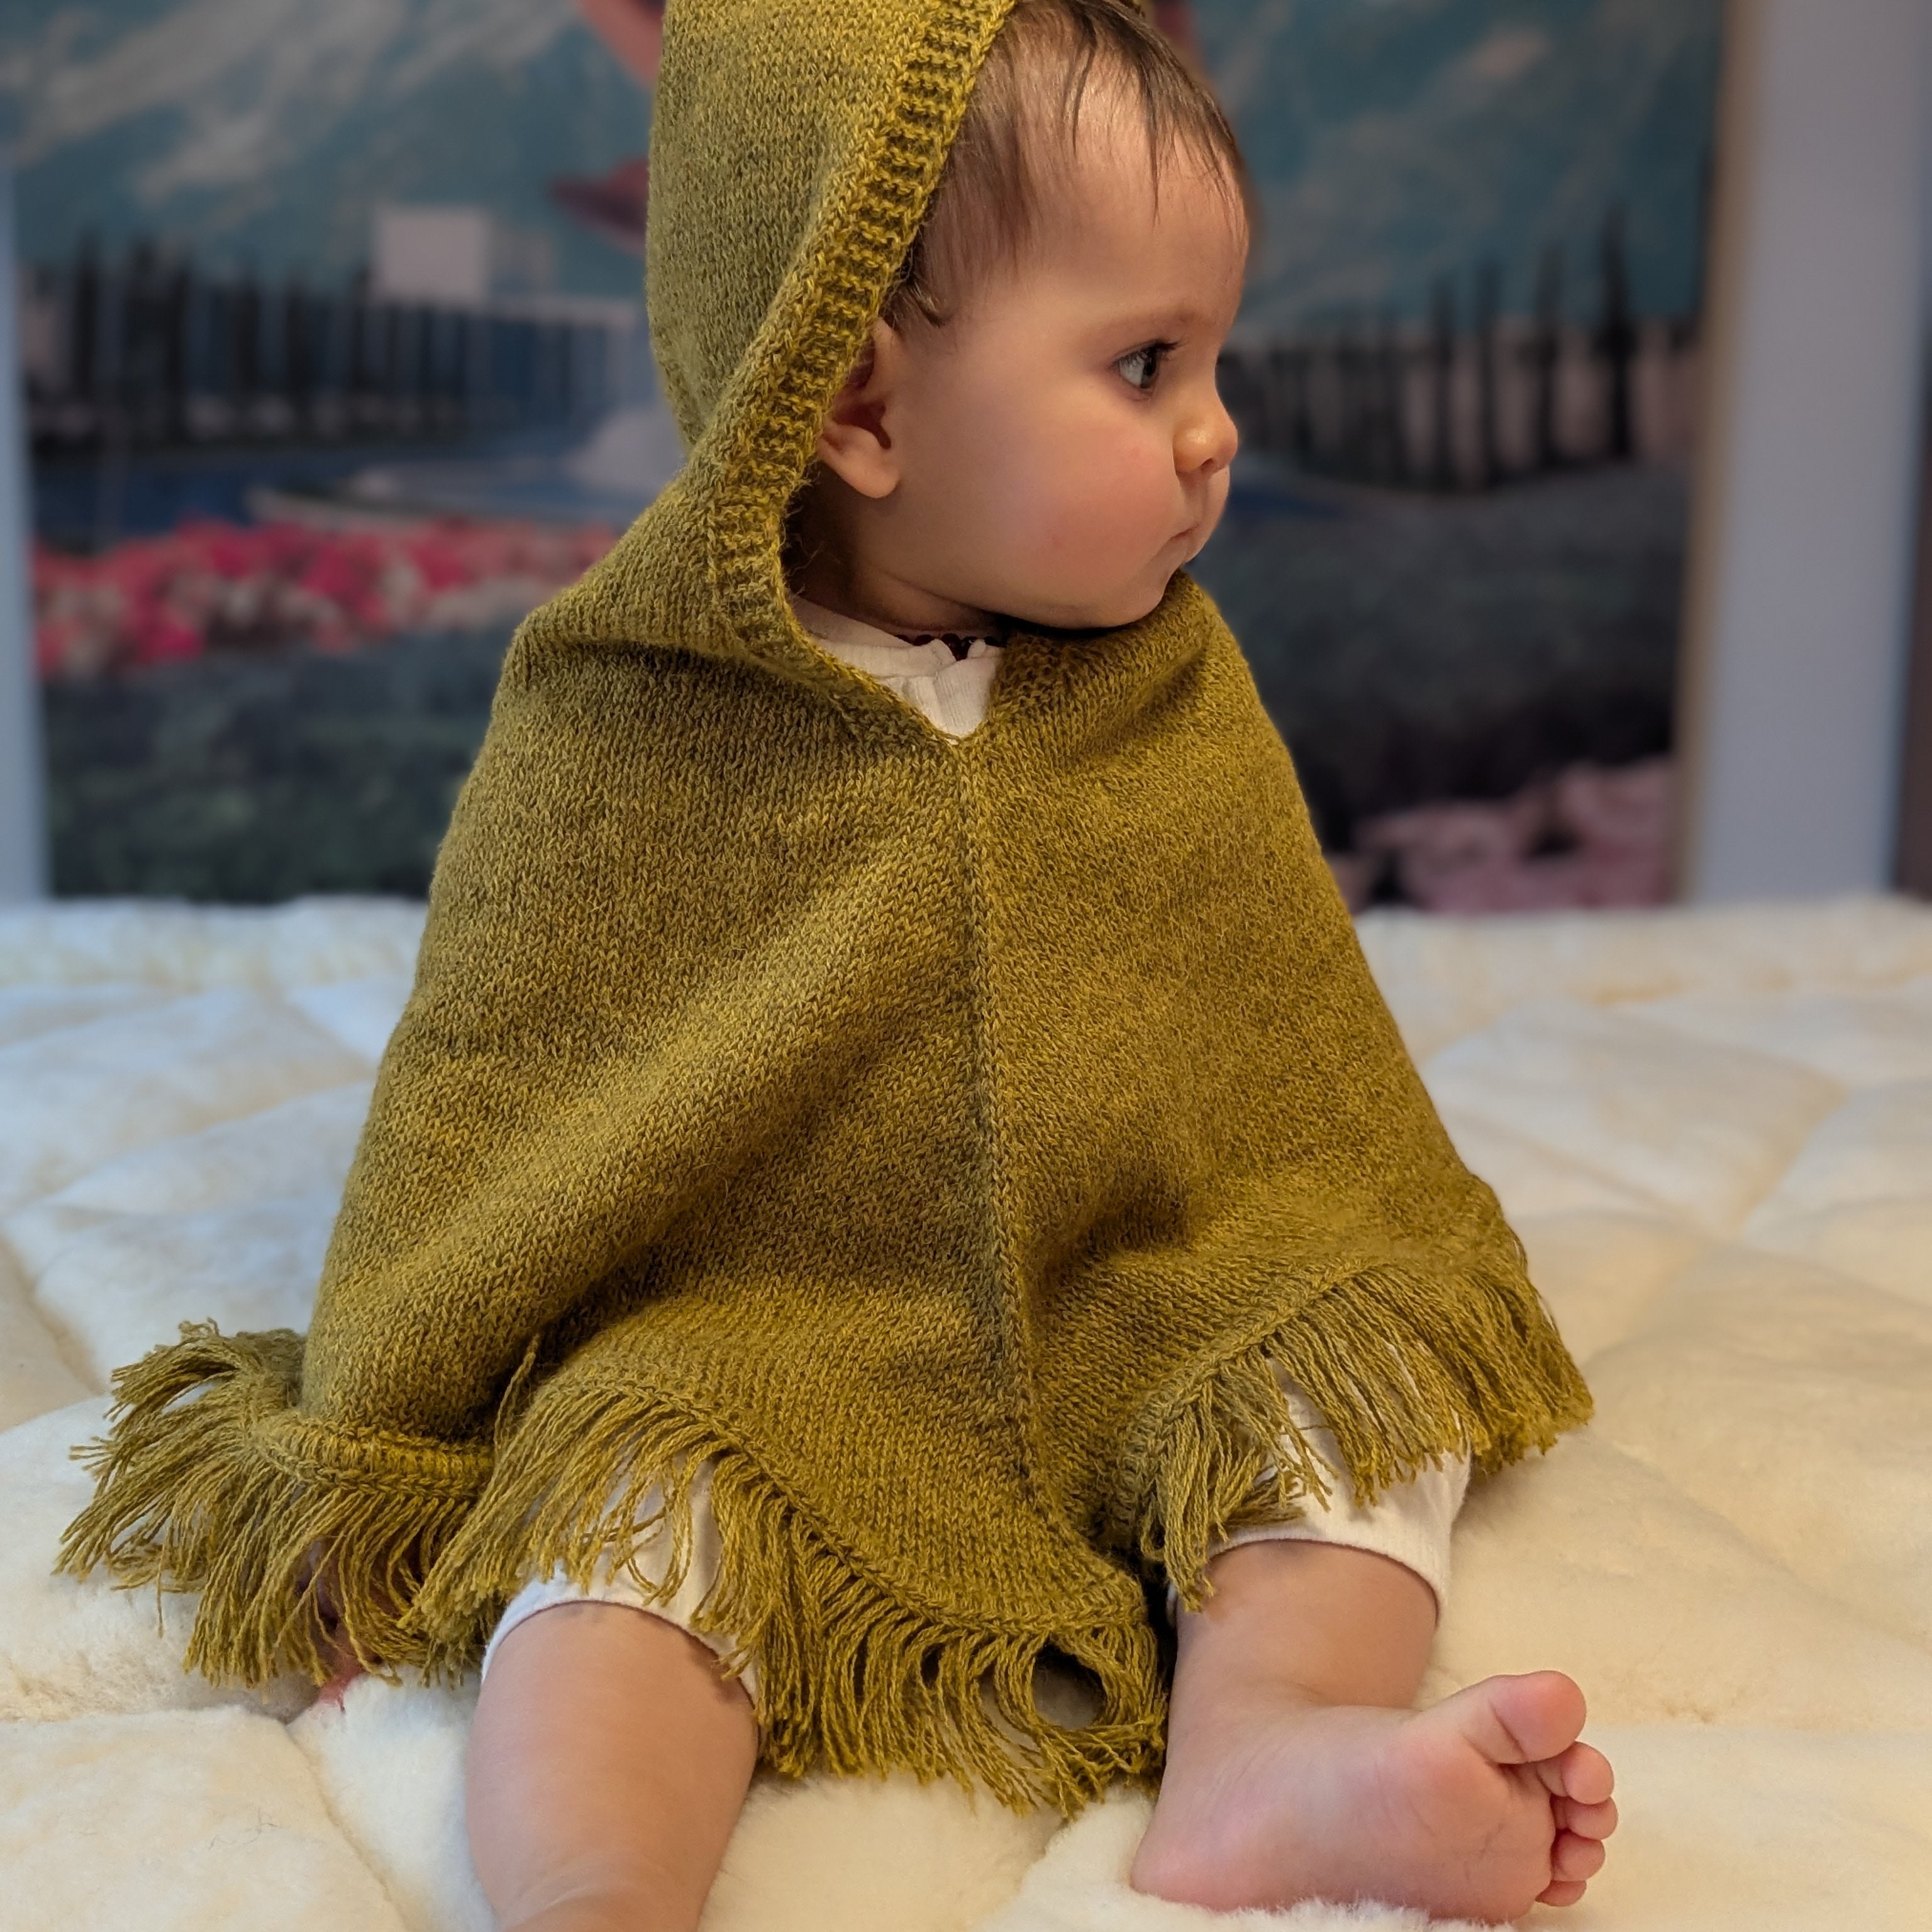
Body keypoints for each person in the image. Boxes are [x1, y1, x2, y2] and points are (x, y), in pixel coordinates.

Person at [57, 5, 1613, 1929]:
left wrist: (1319, 1263)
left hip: (1149, 1283)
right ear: (859, 407)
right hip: (759, 1333)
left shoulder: (1171, 688)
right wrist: (377, 1437)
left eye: (1212, 355)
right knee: (626, 1536)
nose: (1216, 432)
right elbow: (491, 1087)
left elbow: (1283, 1057)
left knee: (1345, 1404)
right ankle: (592, 1888)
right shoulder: (633, 726)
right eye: (1141, 364)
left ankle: (1266, 1748)